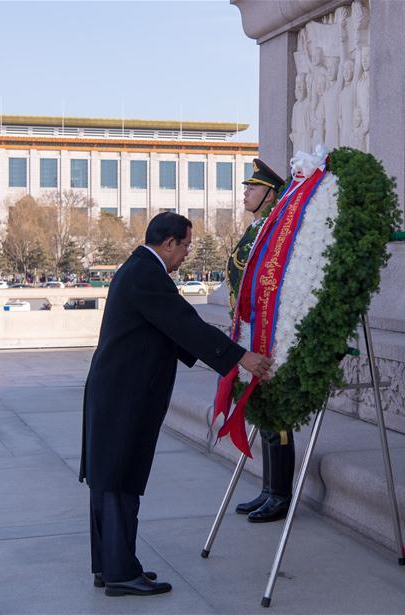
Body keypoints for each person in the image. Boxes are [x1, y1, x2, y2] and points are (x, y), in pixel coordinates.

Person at [80, 212, 273, 597]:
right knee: (119, 479)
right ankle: (120, 573)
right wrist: (240, 357)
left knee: (110, 479)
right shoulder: (146, 274)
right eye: (186, 245)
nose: (186, 253)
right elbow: (185, 324)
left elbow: (173, 330)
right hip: (125, 395)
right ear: (169, 243)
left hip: (117, 391)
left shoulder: (139, 269)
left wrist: (223, 355)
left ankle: (111, 565)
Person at [226, 159, 296, 524]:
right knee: (263, 415)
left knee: (277, 417)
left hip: (270, 337)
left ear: (271, 195)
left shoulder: (275, 234)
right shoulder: (254, 231)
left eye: (252, 188)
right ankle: (269, 489)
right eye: (246, 188)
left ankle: (281, 494)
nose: (246, 193)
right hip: (250, 335)